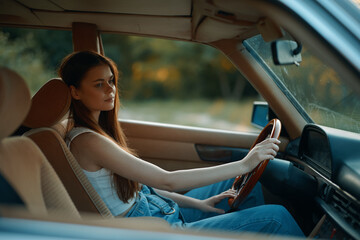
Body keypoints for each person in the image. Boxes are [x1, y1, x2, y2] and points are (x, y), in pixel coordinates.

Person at [59, 51, 304, 237]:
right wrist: (244, 164)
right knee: (277, 216)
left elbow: (137, 189)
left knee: (230, 183)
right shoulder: (88, 141)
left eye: (111, 80)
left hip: (155, 208)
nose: (110, 89)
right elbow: (166, 180)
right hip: (152, 225)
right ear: (75, 92)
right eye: (98, 84)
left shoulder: (97, 132)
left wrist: (198, 204)